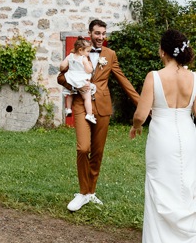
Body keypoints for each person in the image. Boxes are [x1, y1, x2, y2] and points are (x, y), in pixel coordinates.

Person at [130, 29, 196, 243]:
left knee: (160, 188)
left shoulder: (154, 77)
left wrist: (135, 127)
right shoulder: (195, 79)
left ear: (162, 51)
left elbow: (141, 115)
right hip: (186, 139)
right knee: (188, 188)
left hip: (162, 139)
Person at [59, 19, 139, 213]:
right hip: (80, 103)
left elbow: (123, 80)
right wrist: (75, 86)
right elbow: (61, 77)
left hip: (102, 107)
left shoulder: (110, 55)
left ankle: (90, 192)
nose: (101, 37)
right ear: (90, 33)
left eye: (103, 33)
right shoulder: (76, 53)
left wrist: (141, 102)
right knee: (82, 148)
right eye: (97, 33)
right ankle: (82, 192)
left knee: (97, 152)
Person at [59, 38, 96, 123]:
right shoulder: (83, 58)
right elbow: (88, 70)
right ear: (80, 50)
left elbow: (62, 66)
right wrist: (91, 66)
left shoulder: (70, 56)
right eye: (88, 51)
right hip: (81, 79)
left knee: (70, 94)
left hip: (71, 78)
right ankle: (89, 114)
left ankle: (68, 109)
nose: (88, 53)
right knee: (87, 97)